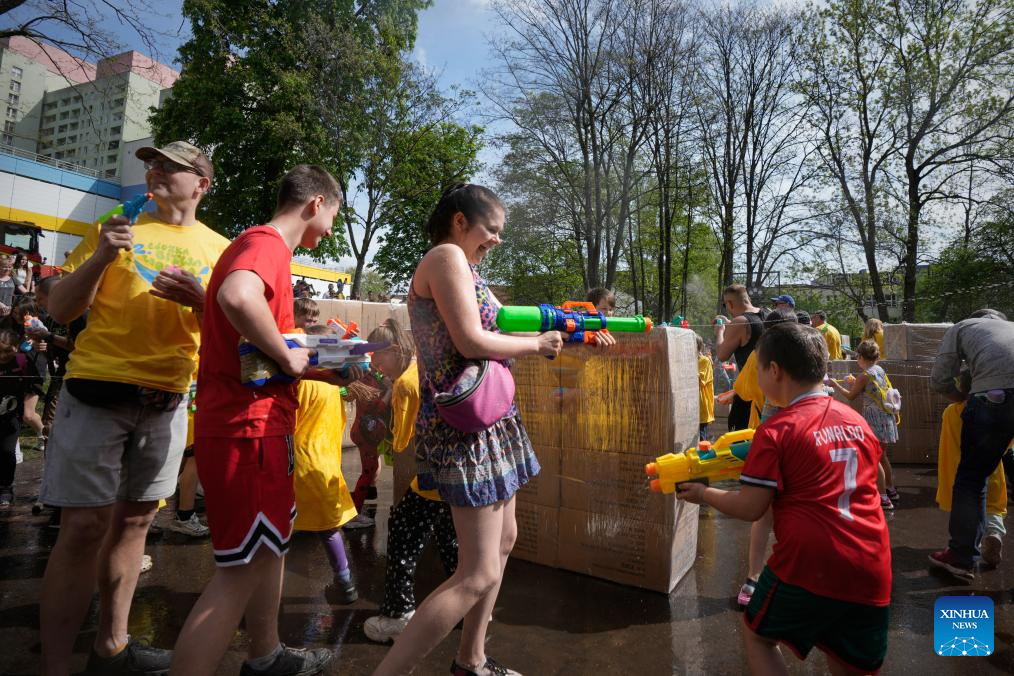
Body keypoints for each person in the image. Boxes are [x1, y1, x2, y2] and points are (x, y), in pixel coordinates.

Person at [38, 140, 227, 676]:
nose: (156, 170)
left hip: (167, 401)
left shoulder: (221, 248)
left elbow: (231, 335)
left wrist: (200, 301)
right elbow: (59, 309)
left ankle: (112, 648)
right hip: (98, 390)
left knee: (136, 523)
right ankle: (55, 665)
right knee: (82, 529)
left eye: (171, 165)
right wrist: (101, 255)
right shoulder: (113, 227)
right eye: (152, 163)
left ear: (202, 185)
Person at [170, 165, 354, 676]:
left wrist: (321, 363)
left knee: (268, 549)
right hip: (246, 431)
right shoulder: (267, 244)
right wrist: (291, 357)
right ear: (316, 204)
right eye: (333, 218)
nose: (330, 232)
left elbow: (250, 342)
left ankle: (266, 655)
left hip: (257, 427)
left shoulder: (255, 246)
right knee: (238, 572)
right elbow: (236, 298)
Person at [373, 184, 562, 676]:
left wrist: (572, 333)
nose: (497, 240)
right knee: (475, 573)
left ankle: (471, 660)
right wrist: (537, 345)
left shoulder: (469, 269)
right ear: (459, 221)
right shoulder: (444, 257)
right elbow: (473, 340)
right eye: (491, 229)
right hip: (465, 427)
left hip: (491, 420)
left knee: (503, 542)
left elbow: (502, 328)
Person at [677, 322, 891, 675]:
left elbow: (751, 507)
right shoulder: (856, 421)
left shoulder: (777, 429)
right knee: (848, 660)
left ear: (773, 370)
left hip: (808, 565)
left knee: (757, 634)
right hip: (871, 564)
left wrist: (703, 493)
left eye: (757, 369)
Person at [363, 319, 461, 643]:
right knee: (451, 541)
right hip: (455, 470)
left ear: (394, 351)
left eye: (379, 361)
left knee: (402, 534)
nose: (376, 369)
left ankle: (397, 614)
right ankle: (468, 606)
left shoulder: (405, 384)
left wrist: (381, 431)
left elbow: (402, 441)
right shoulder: (422, 368)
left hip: (432, 475)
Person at [928, 308, 1014, 581]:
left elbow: (939, 380)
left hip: (994, 397)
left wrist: (960, 398)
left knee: (971, 479)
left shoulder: (963, 327)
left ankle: (961, 556)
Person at [292, 324, 359, 605]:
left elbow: (289, 421)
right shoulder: (334, 386)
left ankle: (262, 583)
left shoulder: (302, 383)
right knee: (329, 528)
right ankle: (345, 583)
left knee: (282, 525)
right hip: (326, 462)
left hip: (299, 461)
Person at [936, 368, 1011, 567]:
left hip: (961, 471)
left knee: (968, 508)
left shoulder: (951, 413)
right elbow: (1008, 443)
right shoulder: (993, 414)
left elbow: (947, 441)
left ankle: (970, 544)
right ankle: (994, 534)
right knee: (993, 507)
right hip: (991, 468)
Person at [831, 339, 900, 510]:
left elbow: (850, 396)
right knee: (882, 456)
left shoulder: (864, 375)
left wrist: (834, 385)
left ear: (861, 356)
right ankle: (891, 490)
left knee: (873, 457)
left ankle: (883, 497)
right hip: (886, 417)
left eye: (857, 357)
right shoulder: (879, 370)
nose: (856, 360)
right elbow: (871, 389)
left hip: (873, 419)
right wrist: (855, 383)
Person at [0, 328, 45, 506]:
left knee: (6, 450)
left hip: (11, 412)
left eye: (6, 350)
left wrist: (25, 408)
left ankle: (5, 488)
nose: (2, 355)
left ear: (17, 347)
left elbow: (34, 386)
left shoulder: (23, 362)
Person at [713, 284, 764, 431]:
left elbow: (722, 355)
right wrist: (731, 326)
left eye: (725, 304)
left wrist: (720, 331)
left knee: (741, 443)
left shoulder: (740, 322)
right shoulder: (767, 314)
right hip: (770, 390)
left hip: (749, 394)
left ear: (729, 303)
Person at [697, 334, 714, 442]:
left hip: (701, 405)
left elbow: (700, 380)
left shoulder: (705, 361)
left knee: (701, 437)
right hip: (690, 406)